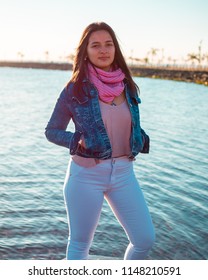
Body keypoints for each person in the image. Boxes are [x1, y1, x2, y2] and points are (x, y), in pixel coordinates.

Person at [45, 22, 155, 260]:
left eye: (109, 44)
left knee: (145, 239)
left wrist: (139, 136)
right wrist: (77, 140)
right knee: (79, 244)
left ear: (115, 49)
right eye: (96, 45)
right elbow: (52, 131)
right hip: (85, 175)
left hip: (125, 174)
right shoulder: (74, 89)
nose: (103, 50)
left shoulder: (128, 86)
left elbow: (125, 122)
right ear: (85, 51)